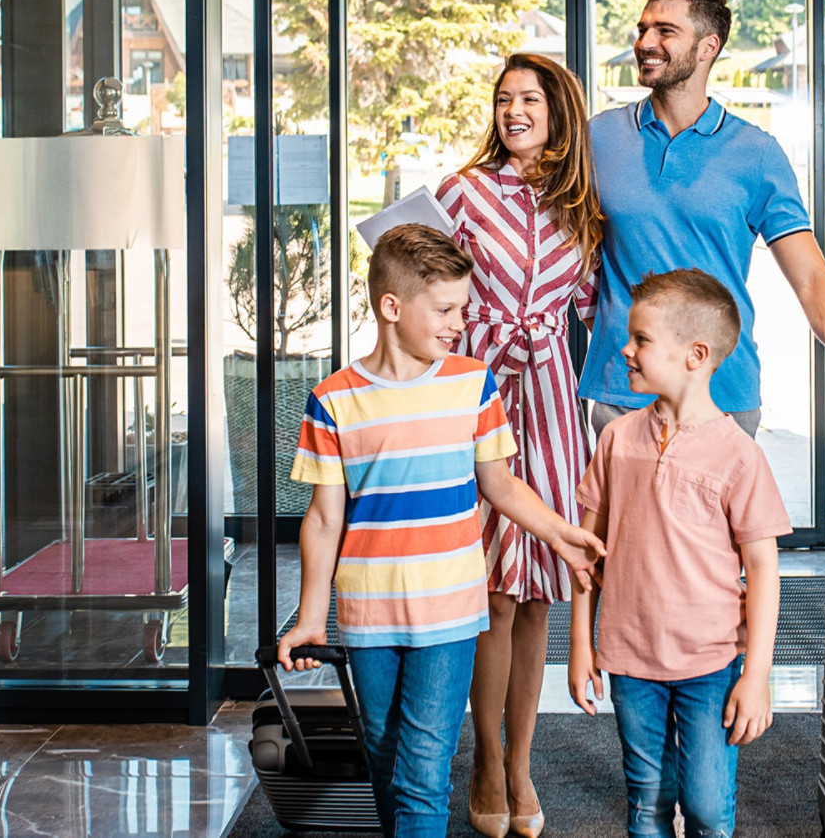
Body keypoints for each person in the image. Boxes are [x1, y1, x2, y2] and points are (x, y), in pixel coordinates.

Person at [276, 224, 603, 838]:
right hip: (369, 616)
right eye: (447, 310)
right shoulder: (334, 400)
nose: (460, 323)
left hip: (451, 611)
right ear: (391, 308)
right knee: (384, 753)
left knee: (425, 771)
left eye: (465, 309)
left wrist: (559, 532)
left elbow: (500, 485)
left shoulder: (472, 383)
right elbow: (323, 518)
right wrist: (311, 616)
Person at [581, 0, 825, 438]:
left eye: (665, 31)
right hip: (623, 390)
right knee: (624, 516)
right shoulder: (598, 138)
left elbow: (808, 276)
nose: (645, 42)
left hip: (721, 393)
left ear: (708, 47)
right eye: (643, 29)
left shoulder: (757, 152)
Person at [433, 53, 606, 838]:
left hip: (554, 405)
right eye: (504, 100)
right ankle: (485, 757)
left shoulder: (582, 207)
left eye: (529, 99)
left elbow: (594, 305)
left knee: (540, 595)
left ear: (557, 109)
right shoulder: (464, 193)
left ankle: (523, 761)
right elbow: (432, 292)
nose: (513, 111)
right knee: (493, 594)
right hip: (482, 396)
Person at [568, 269, 791, 838]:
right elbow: (585, 554)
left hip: (711, 664)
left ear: (696, 354)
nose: (625, 348)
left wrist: (757, 675)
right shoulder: (616, 440)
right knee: (647, 803)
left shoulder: (739, 457)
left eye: (641, 339)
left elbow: (764, 569)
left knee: (708, 808)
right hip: (628, 658)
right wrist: (579, 644)